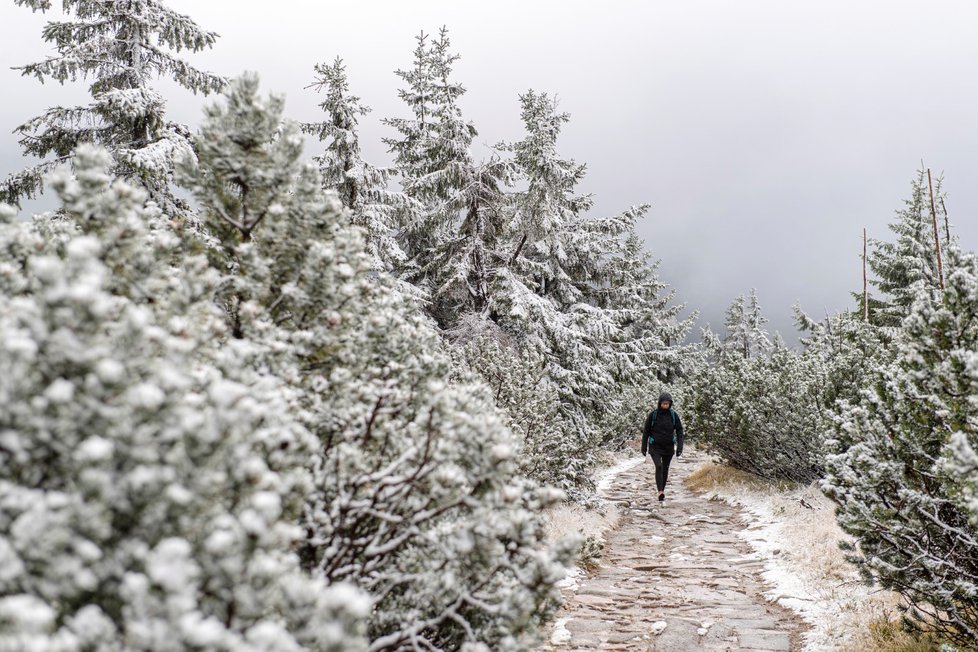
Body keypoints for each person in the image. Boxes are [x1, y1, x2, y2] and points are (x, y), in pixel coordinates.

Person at [640, 392, 684, 502]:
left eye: (667, 403)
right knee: (659, 466)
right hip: (655, 446)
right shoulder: (653, 415)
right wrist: (644, 446)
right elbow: (646, 431)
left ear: (670, 404)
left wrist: (680, 447)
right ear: (660, 403)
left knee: (665, 468)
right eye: (663, 403)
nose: (665, 405)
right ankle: (660, 491)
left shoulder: (673, 415)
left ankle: (662, 491)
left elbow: (679, 430)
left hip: (668, 447)